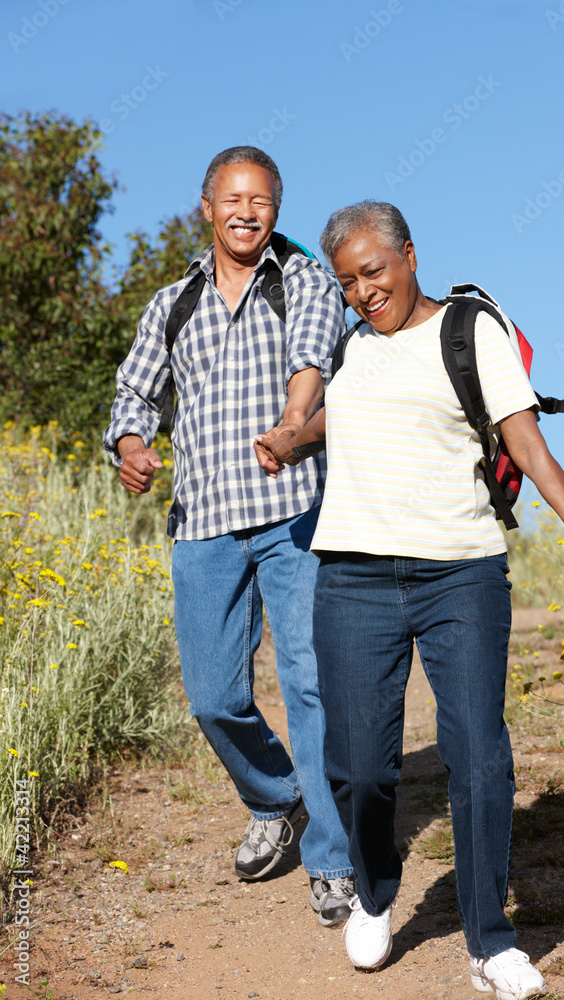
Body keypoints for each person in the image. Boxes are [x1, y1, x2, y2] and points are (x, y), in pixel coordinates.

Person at [254, 200, 564, 994]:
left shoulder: (469, 331)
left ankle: (491, 942)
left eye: (374, 272)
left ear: (409, 255)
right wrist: (294, 436)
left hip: (459, 571)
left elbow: (525, 439)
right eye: (349, 282)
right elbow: (348, 415)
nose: (363, 291)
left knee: (479, 759)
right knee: (357, 766)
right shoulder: (353, 348)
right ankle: (376, 893)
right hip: (352, 577)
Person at [103, 147, 354, 927]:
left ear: (277, 210)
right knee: (213, 696)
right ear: (206, 207)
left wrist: (291, 422)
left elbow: (311, 358)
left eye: (263, 201)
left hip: (296, 511)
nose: (247, 212)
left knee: (313, 685)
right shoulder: (171, 301)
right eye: (233, 199)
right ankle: (277, 798)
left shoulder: (303, 280)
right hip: (205, 521)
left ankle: (334, 860)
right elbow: (135, 389)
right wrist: (131, 447)